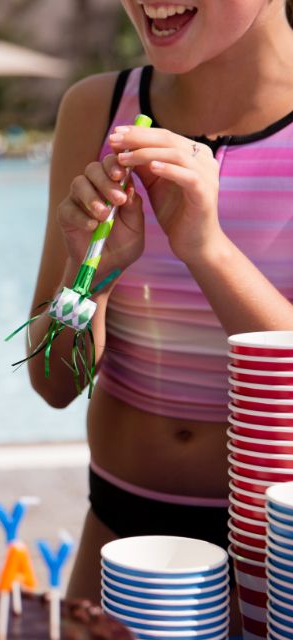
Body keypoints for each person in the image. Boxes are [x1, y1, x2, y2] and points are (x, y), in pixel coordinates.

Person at [27, 0, 293, 614]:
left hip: (279, 553)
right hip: (123, 539)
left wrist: (207, 251)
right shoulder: (97, 110)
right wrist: (90, 276)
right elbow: (52, 381)